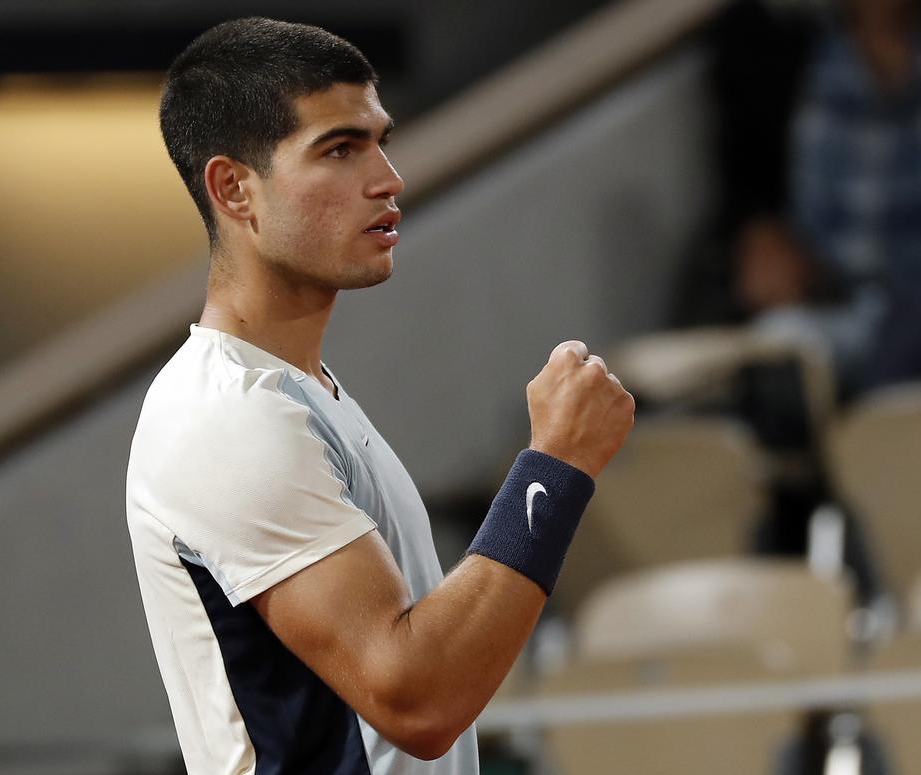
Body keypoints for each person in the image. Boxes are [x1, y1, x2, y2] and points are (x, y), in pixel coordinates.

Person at [125, 17, 634, 775]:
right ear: (234, 188)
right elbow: (417, 698)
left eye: (379, 141)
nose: (388, 179)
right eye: (339, 149)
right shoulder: (229, 415)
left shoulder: (295, 393)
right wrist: (554, 468)